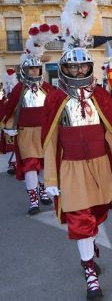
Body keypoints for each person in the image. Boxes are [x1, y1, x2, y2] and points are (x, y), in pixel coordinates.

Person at [41, 0, 112, 299]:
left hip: (100, 167)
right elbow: (49, 141)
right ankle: (90, 273)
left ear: (88, 67)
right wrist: (49, 178)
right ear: (65, 68)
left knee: (97, 213)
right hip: (71, 169)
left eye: (82, 65)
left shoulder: (102, 95)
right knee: (80, 219)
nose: (79, 69)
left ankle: (90, 244)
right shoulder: (55, 99)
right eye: (73, 66)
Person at [1, 23, 59, 214]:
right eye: (32, 69)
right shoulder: (19, 88)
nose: (35, 72)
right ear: (26, 70)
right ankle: (33, 200)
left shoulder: (48, 87)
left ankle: (43, 193)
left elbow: (57, 107)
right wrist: (5, 125)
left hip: (44, 133)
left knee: (43, 165)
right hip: (26, 133)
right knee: (30, 166)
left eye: (37, 69)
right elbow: (8, 108)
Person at [0, 69, 18, 175]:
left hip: (18, 124)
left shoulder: (18, 97)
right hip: (8, 125)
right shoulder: (4, 99)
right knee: (10, 146)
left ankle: (17, 163)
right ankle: (12, 164)